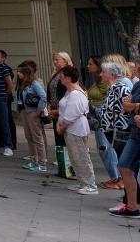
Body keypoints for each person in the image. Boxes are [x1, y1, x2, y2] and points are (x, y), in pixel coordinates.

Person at [54, 65, 98, 195]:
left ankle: (90, 184)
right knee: (75, 156)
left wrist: (61, 126)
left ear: (68, 78)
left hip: (76, 129)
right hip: (72, 129)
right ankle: (83, 181)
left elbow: (71, 115)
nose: (60, 79)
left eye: (61, 77)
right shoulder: (71, 92)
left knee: (81, 156)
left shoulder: (75, 94)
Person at [97, 57, 133, 190]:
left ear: (111, 74)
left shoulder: (120, 88)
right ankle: (127, 191)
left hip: (120, 130)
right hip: (112, 130)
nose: (101, 74)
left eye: (103, 72)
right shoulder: (112, 88)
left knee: (124, 162)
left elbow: (128, 107)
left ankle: (128, 191)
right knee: (120, 159)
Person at [111, 72, 140, 218]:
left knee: (126, 166)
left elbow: (129, 106)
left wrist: (133, 106)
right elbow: (126, 107)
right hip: (135, 132)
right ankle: (132, 206)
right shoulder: (137, 85)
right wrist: (135, 106)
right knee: (124, 166)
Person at [16, 64, 47, 172]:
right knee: (29, 137)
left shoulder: (34, 83)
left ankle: (42, 162)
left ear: (25, 73)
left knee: (37, 137)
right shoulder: (22, 84)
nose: (17, 73)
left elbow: (43, 96)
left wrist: (39, 110)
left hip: (32, 112)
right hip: (24, 111)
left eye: (19, 72)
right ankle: (34, 160)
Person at [46, 52, 72, 161]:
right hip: (54, 107)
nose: (55, 62)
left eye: (57, 60)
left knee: (65, 133)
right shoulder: (55, 74)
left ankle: (68, 159)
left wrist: (58, 109)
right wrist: (49, 105)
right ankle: (62, 159)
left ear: (65, 61)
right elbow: (50, 91)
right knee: (58, 133)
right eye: (54, 60)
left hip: (63, 108)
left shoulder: (69, 72)